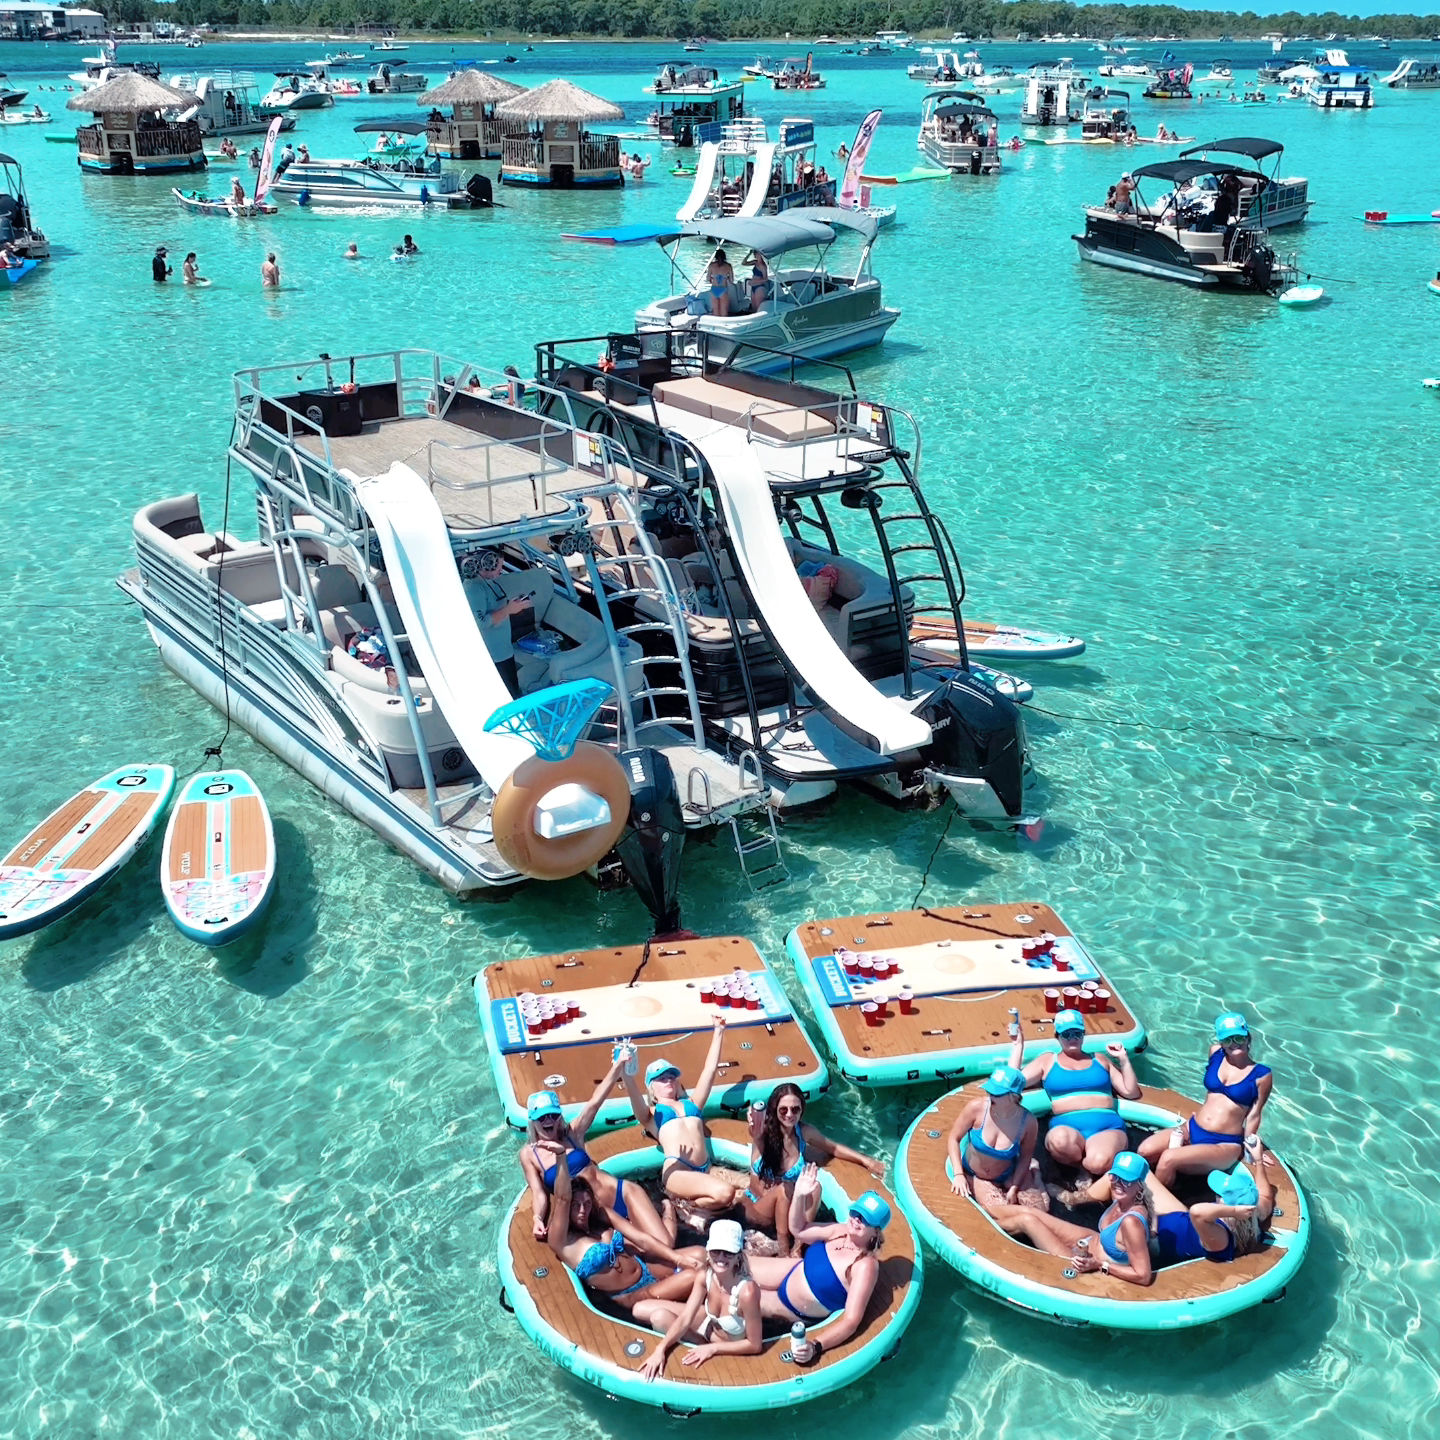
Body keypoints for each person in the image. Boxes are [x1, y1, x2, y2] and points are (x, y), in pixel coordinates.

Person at [519, 1074, 677, 1253]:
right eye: (542, 1117)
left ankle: (668, 1208)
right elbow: (538, 1192)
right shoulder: (529, 1155)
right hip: (594, 1211)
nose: (548, 1121)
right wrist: (537, 1218)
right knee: (646, 1251)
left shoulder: (572, 1133)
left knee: (665, 1245)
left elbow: (595, 1102)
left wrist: (617, 1067)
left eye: (553, 1115)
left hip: (621, 1192)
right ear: (532, 1120)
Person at [543, 1144, 700, 1323]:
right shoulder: (563, 1241)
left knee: (700, 1254)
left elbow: (642, 1239)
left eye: (587, 1204)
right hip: (632, 1293)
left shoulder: (600, 1215)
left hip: (647, 1268)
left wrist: (677, 1259)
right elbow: (562, 1198)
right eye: (576, 1205)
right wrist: (561, 1156)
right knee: (694, 1276)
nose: (582, 1210)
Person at [623, 1016, 750, 1224]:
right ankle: (685, 1208)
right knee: (726, 1193)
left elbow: (709, 1071)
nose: (668, 1080)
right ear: (651, 1087)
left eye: (672, 1076)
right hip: (678, 1172)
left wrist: (719, 1031)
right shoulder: (652, 1114)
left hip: (706, 1169)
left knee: (752, 1190)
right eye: (661, 1078)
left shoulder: (692, 1103)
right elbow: (634, 1097)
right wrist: (626, 1074)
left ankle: (689, 1206)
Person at [747, 1170, 887, 1349]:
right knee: (730, 1267)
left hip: (790, 1305)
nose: (856, 1220)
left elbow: (851, 1321)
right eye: (855, 1212)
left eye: (864, 1219)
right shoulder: (841, 1231)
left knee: (732, 1297)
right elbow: (799, 1230)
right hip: (791, 1270)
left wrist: (816, 1346)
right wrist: (799, 1195)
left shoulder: (865, 1266)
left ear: (876, 1232)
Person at [745, 1084, 885, 1255]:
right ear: (774, 1109)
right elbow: (755, 1136)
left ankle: (799, 1247)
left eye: (795, 1109)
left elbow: (833, 1148)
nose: (789, 1114)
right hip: (760, 1208)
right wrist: (754, 1127)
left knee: (815, 1187)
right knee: (785, 1189)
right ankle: (784, 1249)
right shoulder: (763, 1134)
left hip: (786, 1210)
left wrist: (866, 1161)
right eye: (783, 1110)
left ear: (802, 1110)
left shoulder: (803, 1132)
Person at [1138, 1011, 1273, 1185]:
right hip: (1192, 1127)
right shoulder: (1215, 1053)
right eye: (1227, 1040)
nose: (1234, 1043)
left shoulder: (1262, 1075)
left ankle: (1156, 1200)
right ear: (1221, 1042)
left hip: (1224, 1143)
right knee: (1144, 1151)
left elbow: (1254, 1114)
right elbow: (1213, 1098)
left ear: (1248, 1038)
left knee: (1168, 1159)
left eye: (1239, 1038)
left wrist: (1251, 1150)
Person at [1001, 1151, 1156, 1285]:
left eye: (1127, 1181)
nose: (1118, 1184)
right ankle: (987, 1214)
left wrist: (1099, 1265)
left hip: (1089, 1263)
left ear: (1140, 1185)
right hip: (1093, 1241)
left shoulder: (1131, 1223)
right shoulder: (1125, 1198)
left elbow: (1143, 1276)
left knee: (1028, 1221)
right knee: (1031, 1212)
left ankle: (987, 1231)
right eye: (1116, 1177)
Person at [1016, 1010, 1141, 1177]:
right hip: (1067, 1129)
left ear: (1083, 1035)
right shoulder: (1047, 1061)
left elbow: (1131, 1092)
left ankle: (1087, 1172)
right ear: (1058, 1037)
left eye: (1077, 1033)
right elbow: (1014, 1081)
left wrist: (1123, 1058)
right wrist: (1018, 1045)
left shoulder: (1099, 1059)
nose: (1072, 1038)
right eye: (1066, 1034)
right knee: (1058, 1141)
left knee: (1098, 1163)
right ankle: (1081, 1170)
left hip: (1107, 1128)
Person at [638, 1219, 763, 1380]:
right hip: (706, 1333)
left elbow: (755, 1345)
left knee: (661, 1320)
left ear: (738, 1256)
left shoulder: (747, 1292)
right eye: (716, 1251)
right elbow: (685, 1318)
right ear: (708, 1252)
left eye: (728, 1253)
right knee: (658, 1317)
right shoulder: (705, 1276)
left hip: (728, 1349)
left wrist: (713, 1349)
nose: (721, 1258)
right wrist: (659, 1350)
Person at [946, 1064, 1048, 1213]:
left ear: (1013, 1097)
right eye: (990, 1090)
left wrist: (1014, 1187)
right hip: (977, 1175)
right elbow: (953, 1138)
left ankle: (1035, 1175)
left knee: (1041, 1210)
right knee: (1004, 1214)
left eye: (997, 1093)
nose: (990, 1095)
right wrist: (958, 1174)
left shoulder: (1028, 1122)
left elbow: (1025, 1157)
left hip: (1008, 1173)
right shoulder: (977, 1109)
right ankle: (1034, 1174)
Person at [458, 547, 537, 694]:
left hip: (504, 652)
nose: (500, 571)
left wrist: (514, 605)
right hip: (493, 657)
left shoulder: (489, 582)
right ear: (485, 563)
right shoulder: (473, 587)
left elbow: (496, 606)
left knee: (514, 692)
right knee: (508, 696)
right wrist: (509, 610)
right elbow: (479, 622)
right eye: (498, 567)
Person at [705, 247, 734, 317]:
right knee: (724, 312)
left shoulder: (711, 265)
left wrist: (712, 279)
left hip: (714, 289)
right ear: (724, 257)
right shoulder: (728, 266)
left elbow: (708, 278)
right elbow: (731, 280)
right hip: (723, 289)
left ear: (716, 257)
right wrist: (726, 278)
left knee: (715, 311)